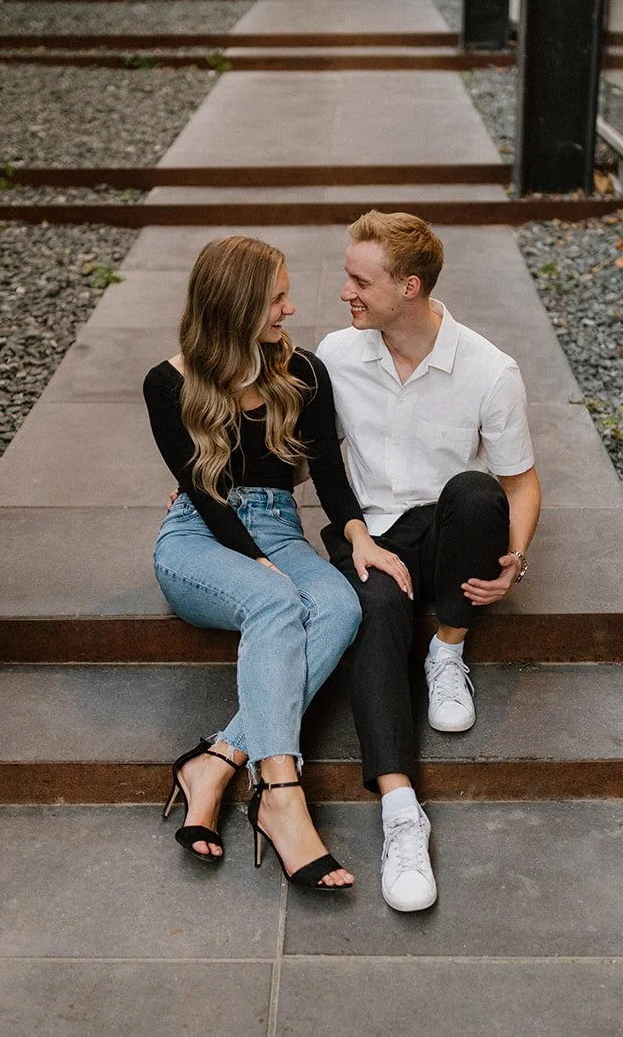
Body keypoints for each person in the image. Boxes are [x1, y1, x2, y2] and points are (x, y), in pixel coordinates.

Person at [144, 234, 411, 892]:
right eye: (277, 297)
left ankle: (216, 759)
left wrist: (359, 537)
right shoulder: (167, 383)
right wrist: (256, 562)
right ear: (236, 307)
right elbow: (203, 494)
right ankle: (281, 795)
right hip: (199, 538)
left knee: (342, 603)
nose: (290, 308)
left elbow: (328, 475)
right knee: (276, 600)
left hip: (280, 525)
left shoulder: (304, 373)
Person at [315, 211, 541, 912]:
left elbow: (521, 482)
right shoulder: (336, 353)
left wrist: (516, 558)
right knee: (377, 605)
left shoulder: (489, 370)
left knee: (477, 494)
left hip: (445, 531)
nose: (345, 290)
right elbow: (307, 454)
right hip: (367, 531)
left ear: (409, 287)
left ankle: (448, 649)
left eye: (360, 279)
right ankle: (401, 811)